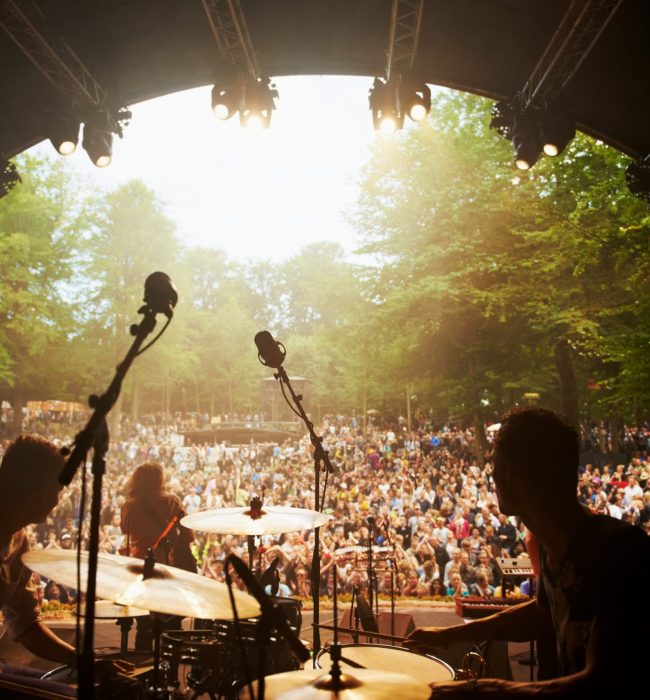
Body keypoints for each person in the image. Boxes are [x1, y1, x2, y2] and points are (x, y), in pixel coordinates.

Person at [406, 407, 650, 696]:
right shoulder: (555, 545)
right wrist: (451, 634)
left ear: (509, 470)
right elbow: (542, 614)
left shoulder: (619, 554)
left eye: (494, 462)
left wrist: (487, 690)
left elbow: (602, 682)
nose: (491, 473)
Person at [120, 462, 195, 650]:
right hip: (168, 567)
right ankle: (170, 674)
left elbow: (124, 529)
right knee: (172, 626)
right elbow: (188, 535)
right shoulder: (171, 501)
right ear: (160, 479)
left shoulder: (129, 505)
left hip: (140, 568)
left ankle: (142, 671)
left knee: (144, 626)